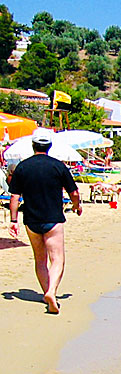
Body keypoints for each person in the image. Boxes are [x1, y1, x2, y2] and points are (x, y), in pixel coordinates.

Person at [8, 128, 83, 314]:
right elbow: (74, 192)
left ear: (33, 145)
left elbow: (15, 197)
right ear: (49, 145)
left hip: (31, 220)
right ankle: (52, 292)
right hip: (53, 219)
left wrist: (13, 220)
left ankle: (46, 293)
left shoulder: (22, 167)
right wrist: (76, 206)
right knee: (57, 259)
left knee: (40, 260)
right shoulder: (58, 166)